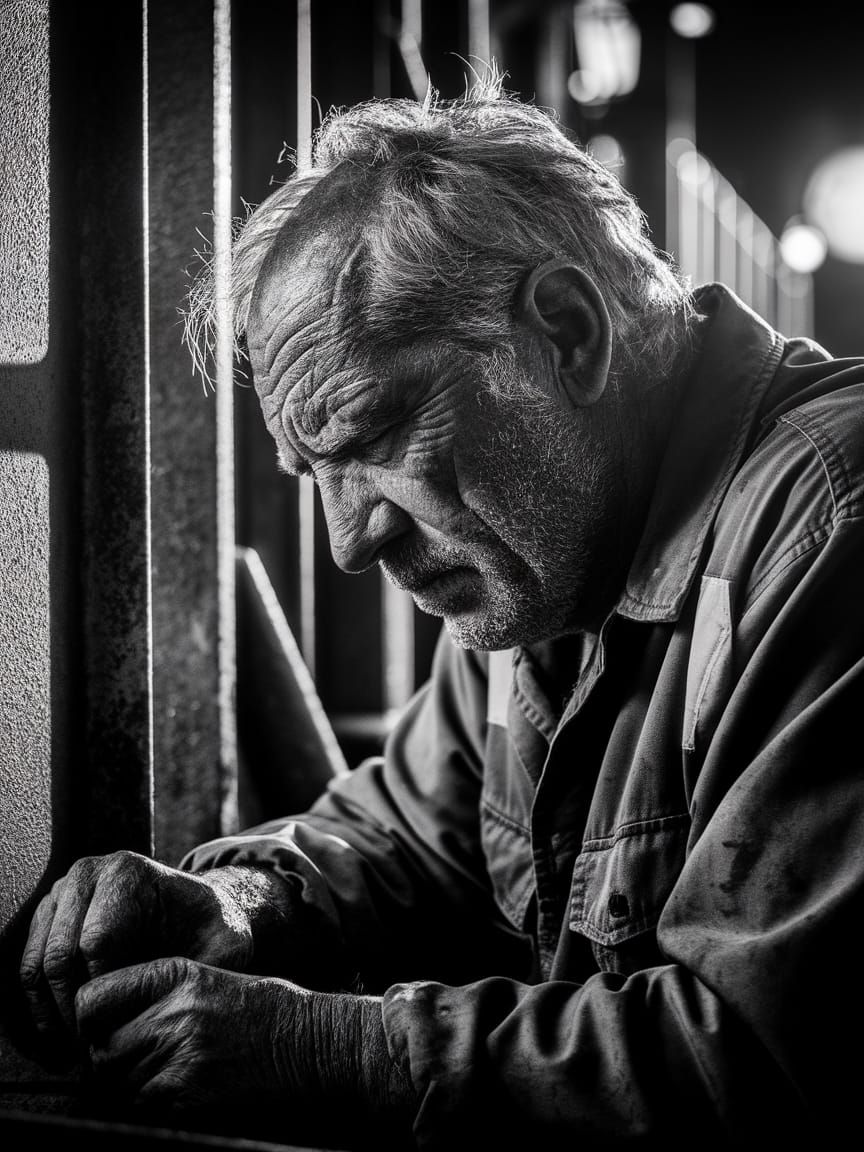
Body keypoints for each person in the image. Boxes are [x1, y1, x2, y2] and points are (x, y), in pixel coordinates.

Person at [18, 73, 864, 1149]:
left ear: (568, 332)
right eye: (314, 473)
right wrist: (235, 907)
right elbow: (405, 837)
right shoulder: (550, 559)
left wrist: (329, 1054)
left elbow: (770, 1062)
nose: (349, 540)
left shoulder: (829, 525)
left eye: (372, 437)